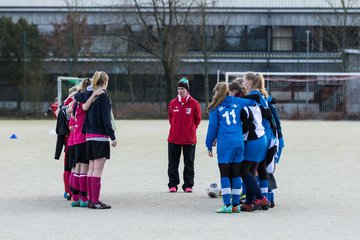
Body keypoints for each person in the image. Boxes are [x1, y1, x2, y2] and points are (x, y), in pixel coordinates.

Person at [205, 82, 255, 213]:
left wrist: (209, 145)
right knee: (236, 174)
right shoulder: (237, 101)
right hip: (239, 142)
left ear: (216, 93)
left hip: (225, 144)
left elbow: (212, 128)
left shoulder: (215, 107)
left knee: (225, 174)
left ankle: (227, 205)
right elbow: (252, 102)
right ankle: (236, 205)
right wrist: (262, 96)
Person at [229, 81, 269, 211]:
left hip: (254, 140)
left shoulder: (242, 107)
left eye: (229, 93)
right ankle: (249, 202)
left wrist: (238, 137)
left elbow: (247, 124)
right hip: (262, 138)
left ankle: (261, 198)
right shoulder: (252, 103)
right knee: (251, 171)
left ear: (235, 93)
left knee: (242, 170)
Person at [242, 72, 277, 209]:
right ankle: (262, 199)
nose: (243, 83)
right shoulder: (261, 95)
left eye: (244, 81)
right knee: (260, 169)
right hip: (267, 135)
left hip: (263, 136)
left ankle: (262, 199)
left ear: (250, 82)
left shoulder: (255, 95)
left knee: (255, 170)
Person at [83, 71, 117, 209]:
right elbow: (106, 119)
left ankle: (91, 200)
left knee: (91, 169)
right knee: (97, 170)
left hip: (89, 137)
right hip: (100, 138)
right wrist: (113, 136)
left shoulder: (92, 95)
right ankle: (95, 201)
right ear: (106, 82)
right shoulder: (104, 96)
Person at [167, 77, 201, 193]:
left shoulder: (194, 103)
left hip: (189, 139)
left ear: (187, 90)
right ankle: (173, 184)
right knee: (173, 164)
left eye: (182, 89)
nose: (180, 91)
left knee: (189, 164)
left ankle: (188, 185)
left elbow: (197, 119)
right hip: (174, 138)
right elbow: (171, 119)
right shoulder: (172, 103)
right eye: (179, 88)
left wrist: (191, 129)